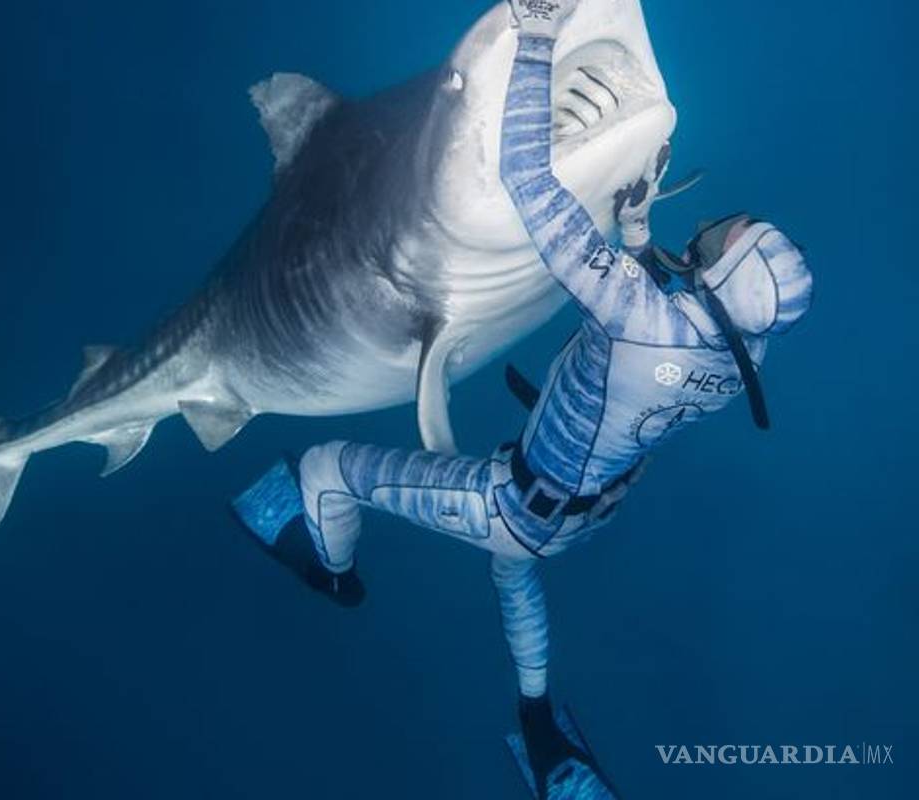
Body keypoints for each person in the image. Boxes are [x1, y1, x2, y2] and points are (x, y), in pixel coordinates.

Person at [233, 0, 813, 795]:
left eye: (715, 241)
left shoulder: (639, 316)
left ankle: (334, 575)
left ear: (715, 278)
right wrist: (639, 228)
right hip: (583, 512)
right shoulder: (731, 361)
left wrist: (537, 37)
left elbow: (527, 183)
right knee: (515, 580)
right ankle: (543, 737)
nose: (707, 229)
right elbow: (655, 320)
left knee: (330, 467)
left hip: (513, 500)